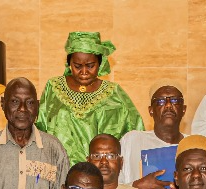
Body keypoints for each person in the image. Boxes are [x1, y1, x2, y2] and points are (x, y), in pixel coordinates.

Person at [36, 31, 144, 164]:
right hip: (58, 168)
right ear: (69, 63)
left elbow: (135, 132)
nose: (84, 72)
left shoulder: (114, 92)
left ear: (100, 63)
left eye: (90, 66)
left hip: (101, 171)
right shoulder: (53, 87)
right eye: (77, 66)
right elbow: (40, 128)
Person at [119, 85, 186, 189]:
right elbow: (110, 187)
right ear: (150, 111)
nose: (168, 105)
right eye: (160, 101)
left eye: (174, 100)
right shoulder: (132, 140)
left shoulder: (193, 144)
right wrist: (135, 186)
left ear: (184, 109)